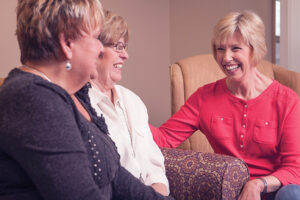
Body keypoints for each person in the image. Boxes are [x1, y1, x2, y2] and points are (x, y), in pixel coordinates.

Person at [0, 0, 174, 199]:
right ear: (67, 44)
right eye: (95, 38)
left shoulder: (76, 95)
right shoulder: (32, 99)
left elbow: (116, 177)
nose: (100, 49)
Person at [150, 10, 300, 200]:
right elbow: (164, 138)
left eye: (235, 48)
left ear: (255, 50)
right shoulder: (204, 97)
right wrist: (125, 113)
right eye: (220, 49)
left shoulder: (287, 100)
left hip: (274, 189)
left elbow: (295, 168)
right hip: (228, 191)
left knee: (292, 194)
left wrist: (258, 184)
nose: (226, 57)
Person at [87, 10, 169, 196]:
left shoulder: (132, 100)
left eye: (124, 47)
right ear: (95, 49)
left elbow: (152, 162)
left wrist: (158, 194)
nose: (125, 55)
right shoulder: (81, 104)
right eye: (118, 47)